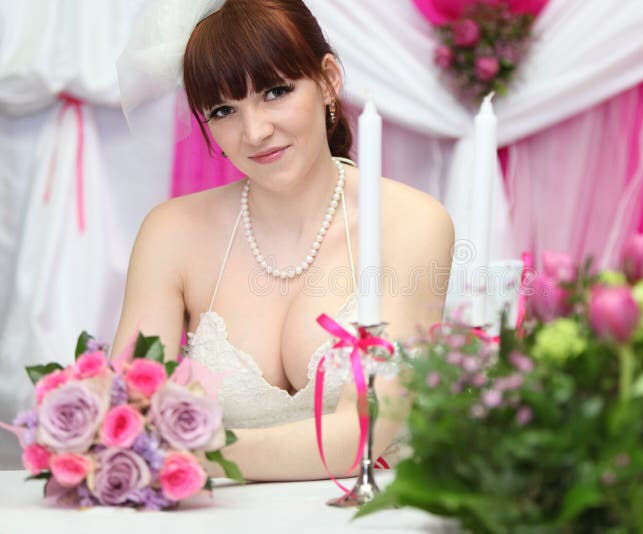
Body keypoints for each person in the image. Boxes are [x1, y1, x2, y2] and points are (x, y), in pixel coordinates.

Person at [111, 0, 454, 482]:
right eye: (224, 109)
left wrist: (199, 452)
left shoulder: (411, 223)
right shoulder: (171, 234)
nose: (255, 131)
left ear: (328, 79)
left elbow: (367, 429)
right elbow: (127, 417)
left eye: (275, 91)